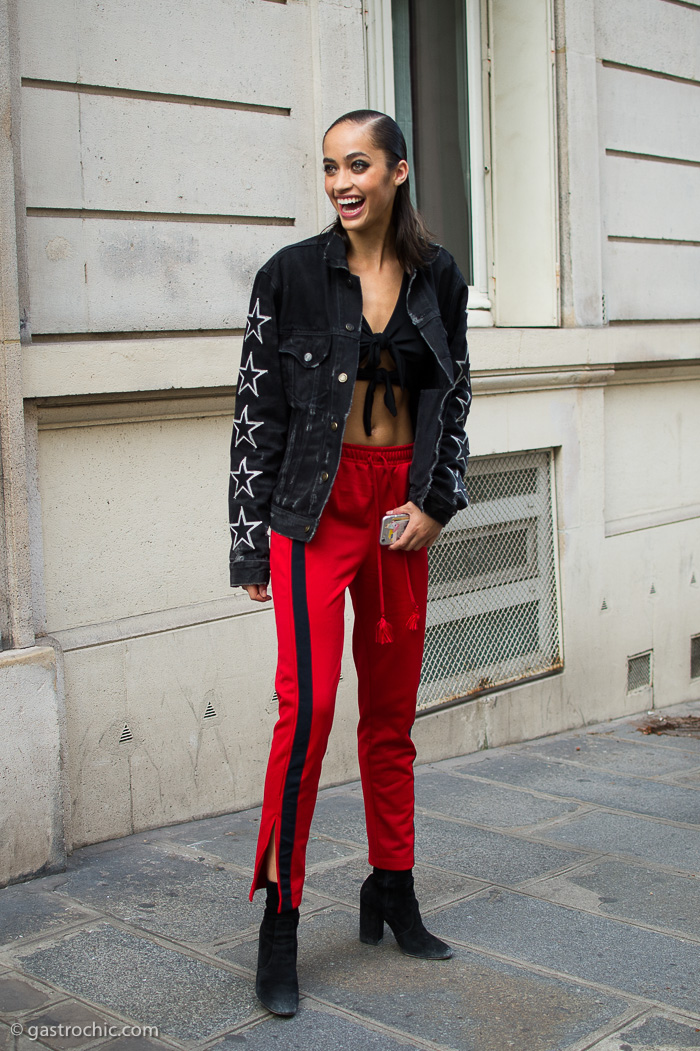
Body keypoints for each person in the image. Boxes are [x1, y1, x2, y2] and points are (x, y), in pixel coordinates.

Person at [228, 109, 471, 1016]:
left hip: (398, 511)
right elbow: (256, 412)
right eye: (330, 167)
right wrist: (249, 537)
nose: (341, 181)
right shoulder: (289, 275)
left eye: (358, 163)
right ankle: (281, 920)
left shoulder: (438, 276)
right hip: (310, 509)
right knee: (311, 708)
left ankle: (393, 887)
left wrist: (436, 504)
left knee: (393, 713)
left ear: (398, 171)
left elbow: (457, 394)